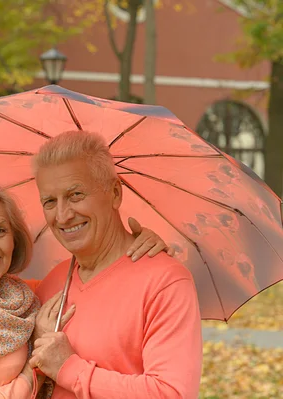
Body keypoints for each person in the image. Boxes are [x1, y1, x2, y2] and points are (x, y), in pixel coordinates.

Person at [0, 180, 171, 399]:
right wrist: (38, 360)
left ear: (14, 238)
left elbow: (94, 285)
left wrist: (129, 249)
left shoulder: (17, 295)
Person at [29, 131, 203, 398]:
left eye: (75, 195)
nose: (62, 215)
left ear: (115, 193)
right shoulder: (52, 281)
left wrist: (68, 368)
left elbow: (170, 393)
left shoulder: (164, 281)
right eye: (50, 201)